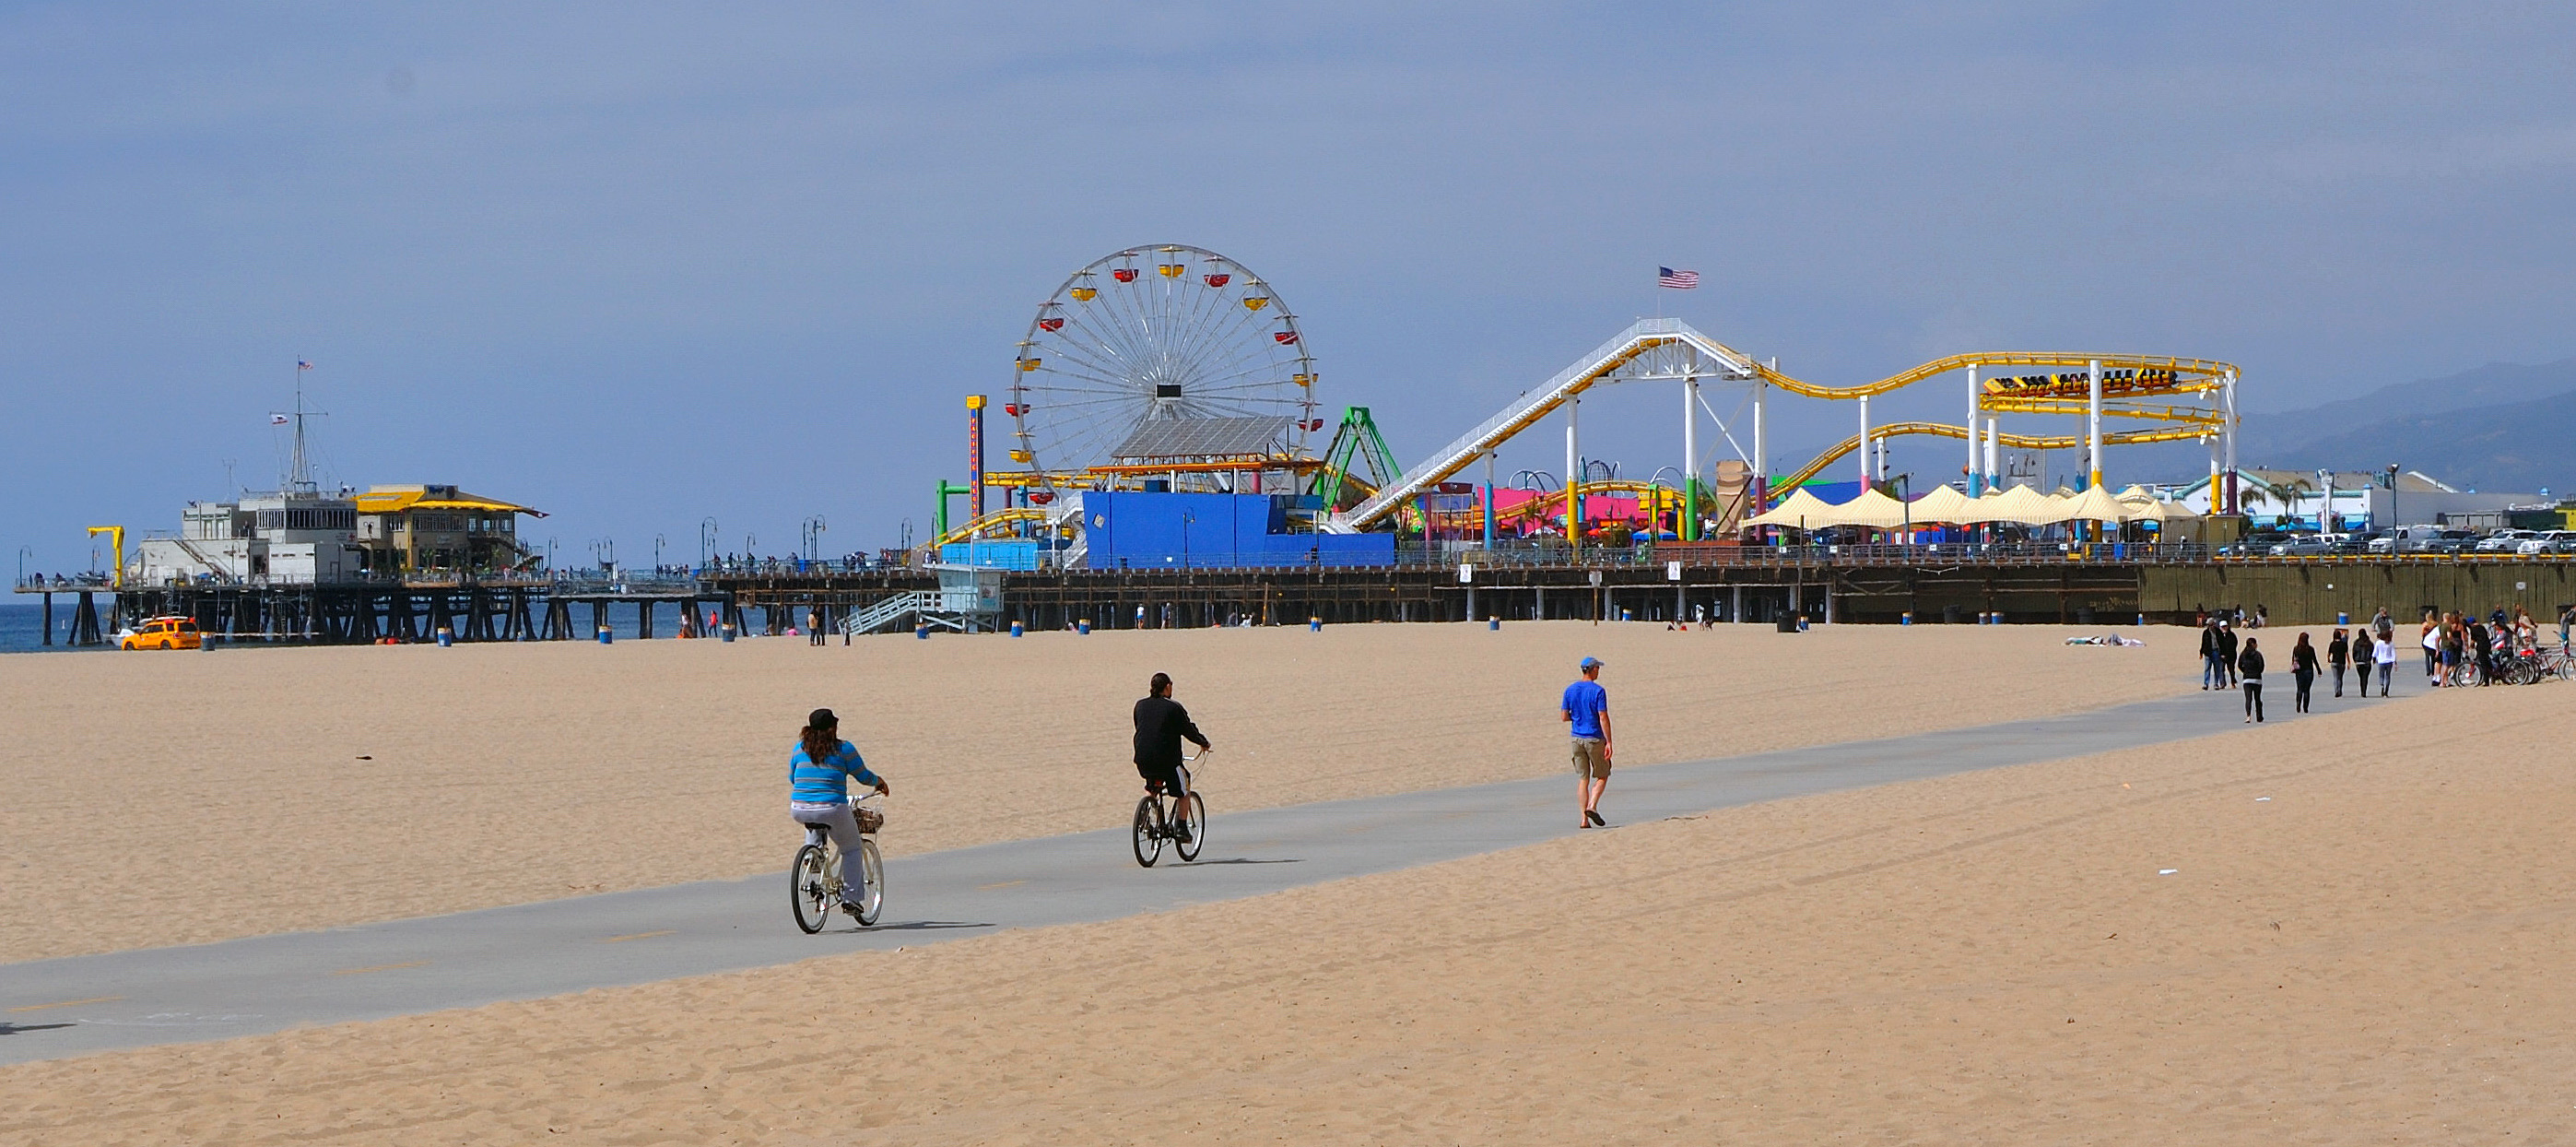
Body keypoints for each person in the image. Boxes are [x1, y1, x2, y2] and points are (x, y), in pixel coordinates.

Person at [788, 708, 889, 914]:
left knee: (813, 818)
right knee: (851, 848)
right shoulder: (844, 749)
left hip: (799, 808)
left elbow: (793, 778)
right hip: (832, 807)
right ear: (832, 728)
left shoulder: (799, 749)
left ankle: (813, 857)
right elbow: (862, 775)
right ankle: (851, 898)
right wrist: (878, 782)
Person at [1133, 671, 1210, 842]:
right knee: (1184, 788)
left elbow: (1142, 727)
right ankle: (1182, 827)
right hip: (1167, 761)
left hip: (1143, 759)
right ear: (1167, 687)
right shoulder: (1173, 708)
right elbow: (1188, 729)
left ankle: (1146, 813)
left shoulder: (1140, 706)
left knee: (1153, 785)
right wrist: (1203, 743)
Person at [1562, 656, 1614, 827]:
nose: (1598, 671)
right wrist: (1609, 742)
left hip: (1576, 738)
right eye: (1597, 668)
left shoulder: (1570, 690)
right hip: (1593, 737)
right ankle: (1592, 806)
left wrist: (1577, 717)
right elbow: (1603, 717)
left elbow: (1564, 716)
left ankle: (1583, 819)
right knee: (1603, 774)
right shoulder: (1598, 691)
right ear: (1592, 670)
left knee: (1583, 778)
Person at [2238, 636, 2266, 723]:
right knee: (2257, 698)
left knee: (2248, 699)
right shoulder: (2257, 654)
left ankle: (2248, 716)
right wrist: (2257, 673)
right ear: (2253, 644)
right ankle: (2259, 716)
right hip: (2257, 679)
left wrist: (2245, 671)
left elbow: (2239, 665)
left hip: (2247, 679)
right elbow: (2262, 666)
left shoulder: (2243, 654)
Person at [2290, 632, 2319, 714]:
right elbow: (2314, 660)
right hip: (2309, 671)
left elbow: (2294, 659)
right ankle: (2305, 707)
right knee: (2307, 690)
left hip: (2299, 671)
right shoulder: (2310, 649)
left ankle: (2298, 704)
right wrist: (2319, 670)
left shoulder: (2296, 649)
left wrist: (2294, 667)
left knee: (2299, 689)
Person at [2199, 621, 2227, 690]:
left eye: (2212, 625)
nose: (2211, 626)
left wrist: (2223, 653)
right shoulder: (2206, 632)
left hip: (2216, 652)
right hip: (2208, 653)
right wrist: (2201, 652)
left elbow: (2222, 643)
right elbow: (2203, 643)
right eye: (2209, 625)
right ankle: (2206, 684)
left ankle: (2216, 684)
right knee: (2207, 668)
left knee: (2217, 668)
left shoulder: (2218, 632)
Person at [2371, 626, 2397, 696]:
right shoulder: (2391, 643)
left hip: (2381, 661)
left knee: (2381, 675)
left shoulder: (2378, 643)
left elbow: (2375, 652)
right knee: (2388, 676)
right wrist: (2395, 662)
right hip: (2389, 662)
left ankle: (2382, 685)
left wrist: (2374, 659)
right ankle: (2386, 690)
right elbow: (2393, 653)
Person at [2326, 627, 2351, 699]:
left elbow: (2329, 653)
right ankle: (2339, 690)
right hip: (2342, 662)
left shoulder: (2332, 644)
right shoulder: (2344, 644)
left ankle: (2336, 690)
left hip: (2334, 662)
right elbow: (2346, 654)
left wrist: (2328, 659)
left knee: (2335, 677)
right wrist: (2349, 663)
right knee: (2340, 677)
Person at [2352, 627, 2376, 696]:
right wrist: (2373, 660)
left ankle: (2362, 690)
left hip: (2359, 663)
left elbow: (2354, 652)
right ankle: (2364, 691)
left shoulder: (2356, 643)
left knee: (2361, 677)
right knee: (2365, 677)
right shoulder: (2370, 643)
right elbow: (2373, 653)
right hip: (2367, 663)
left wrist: (2355, 660)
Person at [2216, 621, 2241, 687]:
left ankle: (2233, 682)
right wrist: (2221, 654)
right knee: (2221, 669)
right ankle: (2222, 683)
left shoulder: (2232, 635)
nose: (2224, 628)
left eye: (2225, 626)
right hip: (2221, 656)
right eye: (2222, 627)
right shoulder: (2218, 636)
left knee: (2231, 669)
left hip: (2231, 656)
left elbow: (2234, 645)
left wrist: (2227, 654)